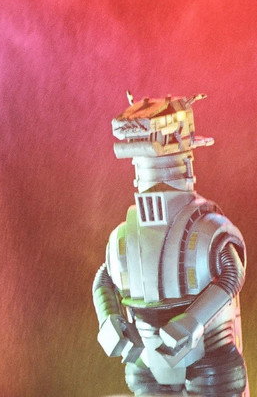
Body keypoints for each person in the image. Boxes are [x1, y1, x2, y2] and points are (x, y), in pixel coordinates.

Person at [92, 93, 247, 396]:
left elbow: (232, 276)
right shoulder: (122, 236)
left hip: (208, 351)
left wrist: (193, 321)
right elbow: (104, 280)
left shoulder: (209, 227)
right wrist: (108, 319)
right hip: (146, 355)